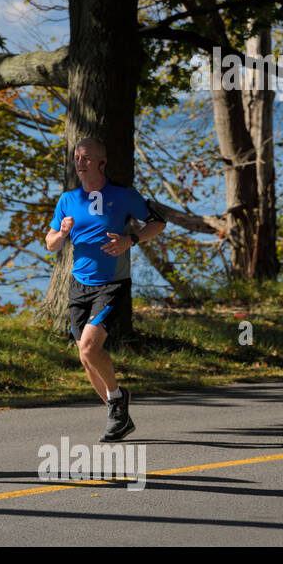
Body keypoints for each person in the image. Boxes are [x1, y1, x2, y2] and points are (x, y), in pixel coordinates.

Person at [45, 136, 167, 442]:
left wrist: (131, 240)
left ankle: (116, 398)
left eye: (86, 158)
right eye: (76, 158)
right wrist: (61, 233)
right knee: (86, 357)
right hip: (78, 283)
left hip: (112, 283)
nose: (79, 163)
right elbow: (50, 244)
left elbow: (158, 222)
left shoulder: (123, 195)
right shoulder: (68, 200)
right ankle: (118, 414)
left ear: (102, 162)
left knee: (89, 347)